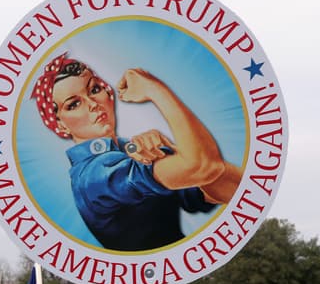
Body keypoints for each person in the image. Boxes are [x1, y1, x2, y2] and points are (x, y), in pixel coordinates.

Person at [31, 53, 242, 252]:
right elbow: (204, 166)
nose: (93, 104)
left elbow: (235, 189)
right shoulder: (93, 176)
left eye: (94, 89)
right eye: (74, 104)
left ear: (108, 93)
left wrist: (176, 152)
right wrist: (156, 90)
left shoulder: (130, 150)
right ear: (60, 124)